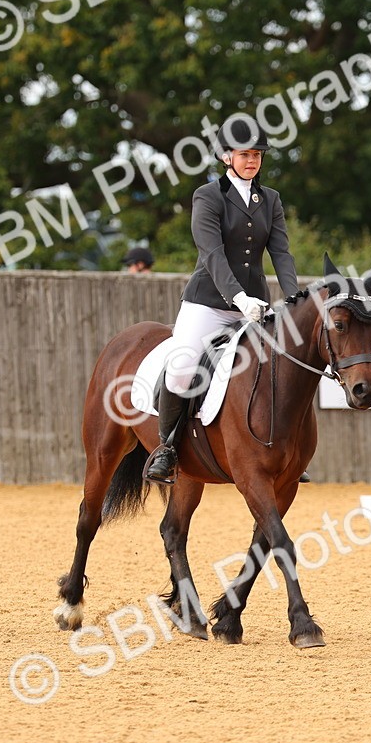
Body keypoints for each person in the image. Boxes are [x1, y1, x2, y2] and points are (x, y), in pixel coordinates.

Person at [144, 115, 301, 483]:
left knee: (281, 367)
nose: (252, 161)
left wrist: (294, 298)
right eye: (245, 154)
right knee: (183, 368)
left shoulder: (271, 200)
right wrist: (238, 297)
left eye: (258, 155)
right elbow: (211, 253)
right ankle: (166, 448)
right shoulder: (208, 196)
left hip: (254, 306)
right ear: (227, 157)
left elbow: (281, 253)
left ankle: (285, 449)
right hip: (208, 303)